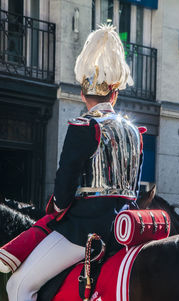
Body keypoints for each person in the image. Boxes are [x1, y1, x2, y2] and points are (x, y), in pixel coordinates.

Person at [6, 25, 142, 301]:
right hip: (125, 227)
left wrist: (56, 207)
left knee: (18, 286)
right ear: (114, 93)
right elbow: (133, 188)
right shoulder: (133, 131)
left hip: (86, 229)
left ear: (82, 94)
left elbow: (65, 183)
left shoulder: (84, 125)